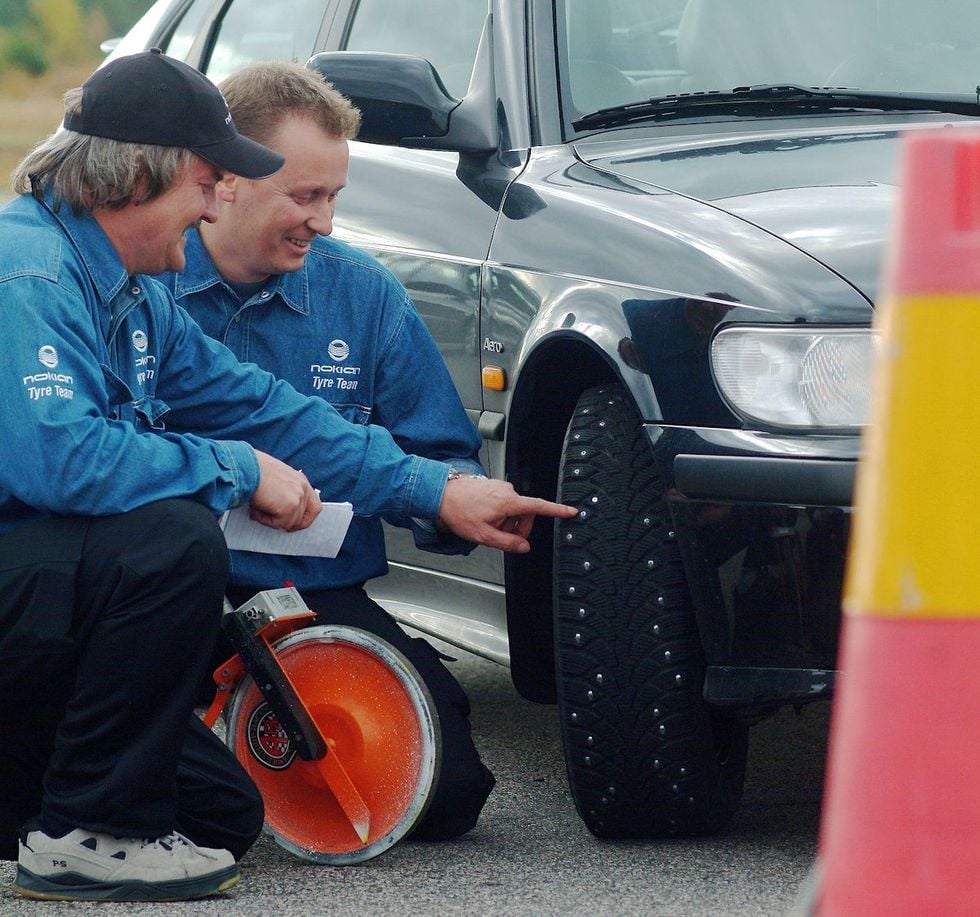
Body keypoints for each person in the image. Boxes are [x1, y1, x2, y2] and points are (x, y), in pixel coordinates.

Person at [0, 50, 576, 903]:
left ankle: (61, 806)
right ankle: (87, 833)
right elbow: (65, 461)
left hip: (79, 607)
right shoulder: (30, 274)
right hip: (47, 595)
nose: (205, 207)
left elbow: (267, 409)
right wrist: (235, 471)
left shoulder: (134, 287)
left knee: (221, 818)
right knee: (172, 536)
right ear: (143, 178)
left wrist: (438, 491)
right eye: (203, 184)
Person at [156, 60, 497, 844]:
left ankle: (243, 756)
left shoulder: (364, 294)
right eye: (305, 196)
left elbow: (440, 453)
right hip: (177, 597)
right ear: (228, 180)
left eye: (335, 196)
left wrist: (463, 504)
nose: (326, 222)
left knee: (446, 795)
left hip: (313, 599)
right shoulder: (149, 284)